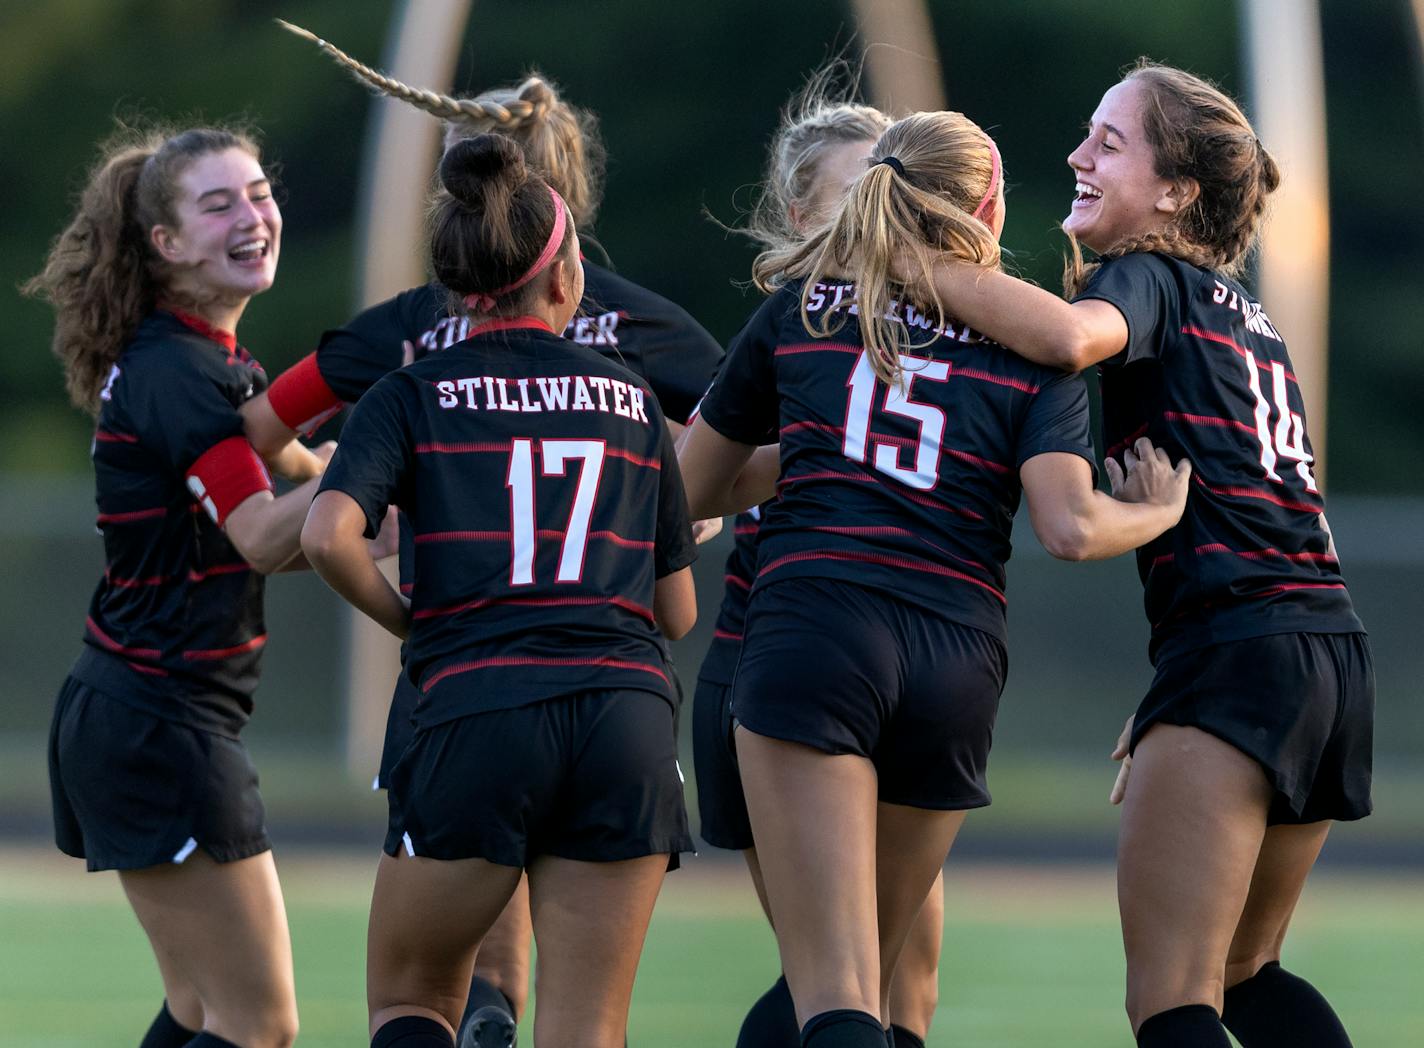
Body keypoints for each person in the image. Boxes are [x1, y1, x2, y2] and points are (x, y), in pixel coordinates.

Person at [252, 25, 725, 1045]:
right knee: (588, 1025)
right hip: (621, 713)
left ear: (449, 281)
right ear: (566, 281)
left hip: (471, 701)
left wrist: (406, 617)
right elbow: (676, 608)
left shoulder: (410, 383)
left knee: (413, 999)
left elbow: (332, 532)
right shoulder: (632, 395)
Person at [678, 108, 1190, 1048]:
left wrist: (823, 451)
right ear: (986, 211)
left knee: (831, 985)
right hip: (955, 655)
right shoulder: (1035, 351)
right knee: (879, 975)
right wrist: (1159, 511)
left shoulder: (805, 305)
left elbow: (690, 489)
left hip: (814, 624)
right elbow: (1071, 527)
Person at [909, 60, 1372, 1048]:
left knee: (1171, 1001)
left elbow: (1072, 337)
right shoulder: (1251, 324)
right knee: (1247, 973)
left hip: (1238, 651)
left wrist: (922, 265)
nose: (1076, 156)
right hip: (1323, 652)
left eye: (1108, 144)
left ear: (1174, 193)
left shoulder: (1147, 277)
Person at [24, 124, 342, 1048]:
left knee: (204, 1013)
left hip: (138, 717)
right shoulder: (180, 371)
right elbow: (260, 536)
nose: (255, 216)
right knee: (260, 1028)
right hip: (159, 724)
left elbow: (304, 471)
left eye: (259, 193)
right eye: (219, 204)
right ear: (165, 245)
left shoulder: (209, 362)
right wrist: (364, 433)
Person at [690, 70, 942, 1048]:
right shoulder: (791, 327)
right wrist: (817, 447)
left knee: (902, 978)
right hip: (777, 671)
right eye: (858, 189)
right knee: (838, 976)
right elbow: (688, 485)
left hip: (898, 672)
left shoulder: (932, 326)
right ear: (801, 211)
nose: (886, 211)